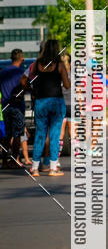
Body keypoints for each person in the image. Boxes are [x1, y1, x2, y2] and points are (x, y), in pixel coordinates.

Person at [24, 40, 70, 177]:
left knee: (40, 134)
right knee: (55, 135)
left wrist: (32, 91)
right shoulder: (60, 66)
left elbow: (24, 81)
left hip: (40, 102)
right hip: (56, 101)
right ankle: (52, 168)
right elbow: (67, 85)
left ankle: (35, 169)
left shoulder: (36, 65)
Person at [0, 48, 26, 169]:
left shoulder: (3, 72)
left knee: (7, 135)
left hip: (5, 107)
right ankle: (14, 160)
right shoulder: (21, 73)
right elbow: (27, 86)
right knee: (17, 135)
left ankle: (4, 161)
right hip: (17, 107)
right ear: (21, 59)